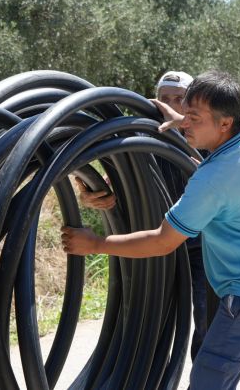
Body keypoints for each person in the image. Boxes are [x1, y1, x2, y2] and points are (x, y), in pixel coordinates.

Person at [63, 70, 240, 389]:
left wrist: (95, 244)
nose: (186, 123)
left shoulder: (215, 178)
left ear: (224, 123)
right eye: (184, 113)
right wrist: (182, 119)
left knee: (209, 375)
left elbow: (163, 241)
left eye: (193, 115)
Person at [76, 70, 209, 361]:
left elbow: (222, 180)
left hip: (202, 248)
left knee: (208, 329)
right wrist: (96, 197)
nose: (171, 105)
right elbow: (114, 187)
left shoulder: (206, 139)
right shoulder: (138, 138)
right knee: (146, 329)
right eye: (165, 98)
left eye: (180, 99)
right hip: (154, 247)